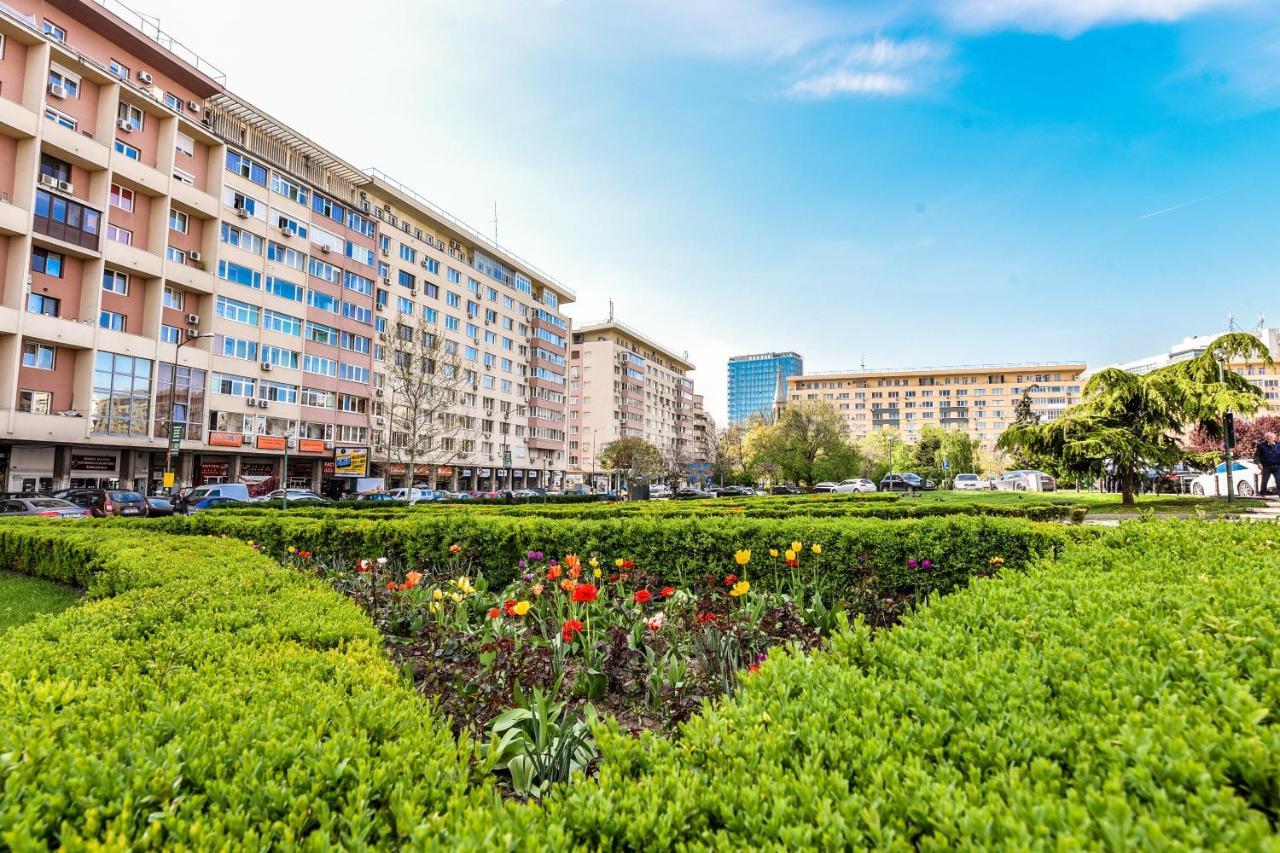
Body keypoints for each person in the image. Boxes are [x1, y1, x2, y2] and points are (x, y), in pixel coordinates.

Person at [1256, 432, 1280, 498]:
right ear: (1265, 438)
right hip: (1266, 466)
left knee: (1279, 480)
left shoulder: (1278, 445)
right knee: (1264, 481)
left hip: (1277, 466)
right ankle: (1263, 494)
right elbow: (1256, 456)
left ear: (1274, 438)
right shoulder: (1261, 445)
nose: (1269, 438)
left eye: (1271, 437)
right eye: (1268, 437)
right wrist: (1258, 463)